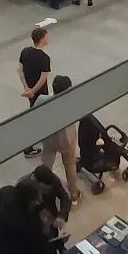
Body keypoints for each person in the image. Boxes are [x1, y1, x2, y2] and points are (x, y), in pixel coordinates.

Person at [39, 75, 80, 205]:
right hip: (67, 140)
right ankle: (73, 194)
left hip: (49, 139)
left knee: (45, 167)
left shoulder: (42, 100)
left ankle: (41, 193)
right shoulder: (72, 104)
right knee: (69, 165)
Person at [18, 26, 51, 158]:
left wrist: (27, 88)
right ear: (42, 39)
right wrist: (33, 91)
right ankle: (28, 146)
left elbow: (20, 70)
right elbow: (43, 78)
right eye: (46, 36)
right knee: (36, 115)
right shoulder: (44, 58)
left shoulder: (25, 51)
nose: (48, 38)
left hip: (30, 91)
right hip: (40, 93)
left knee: (36, 112)